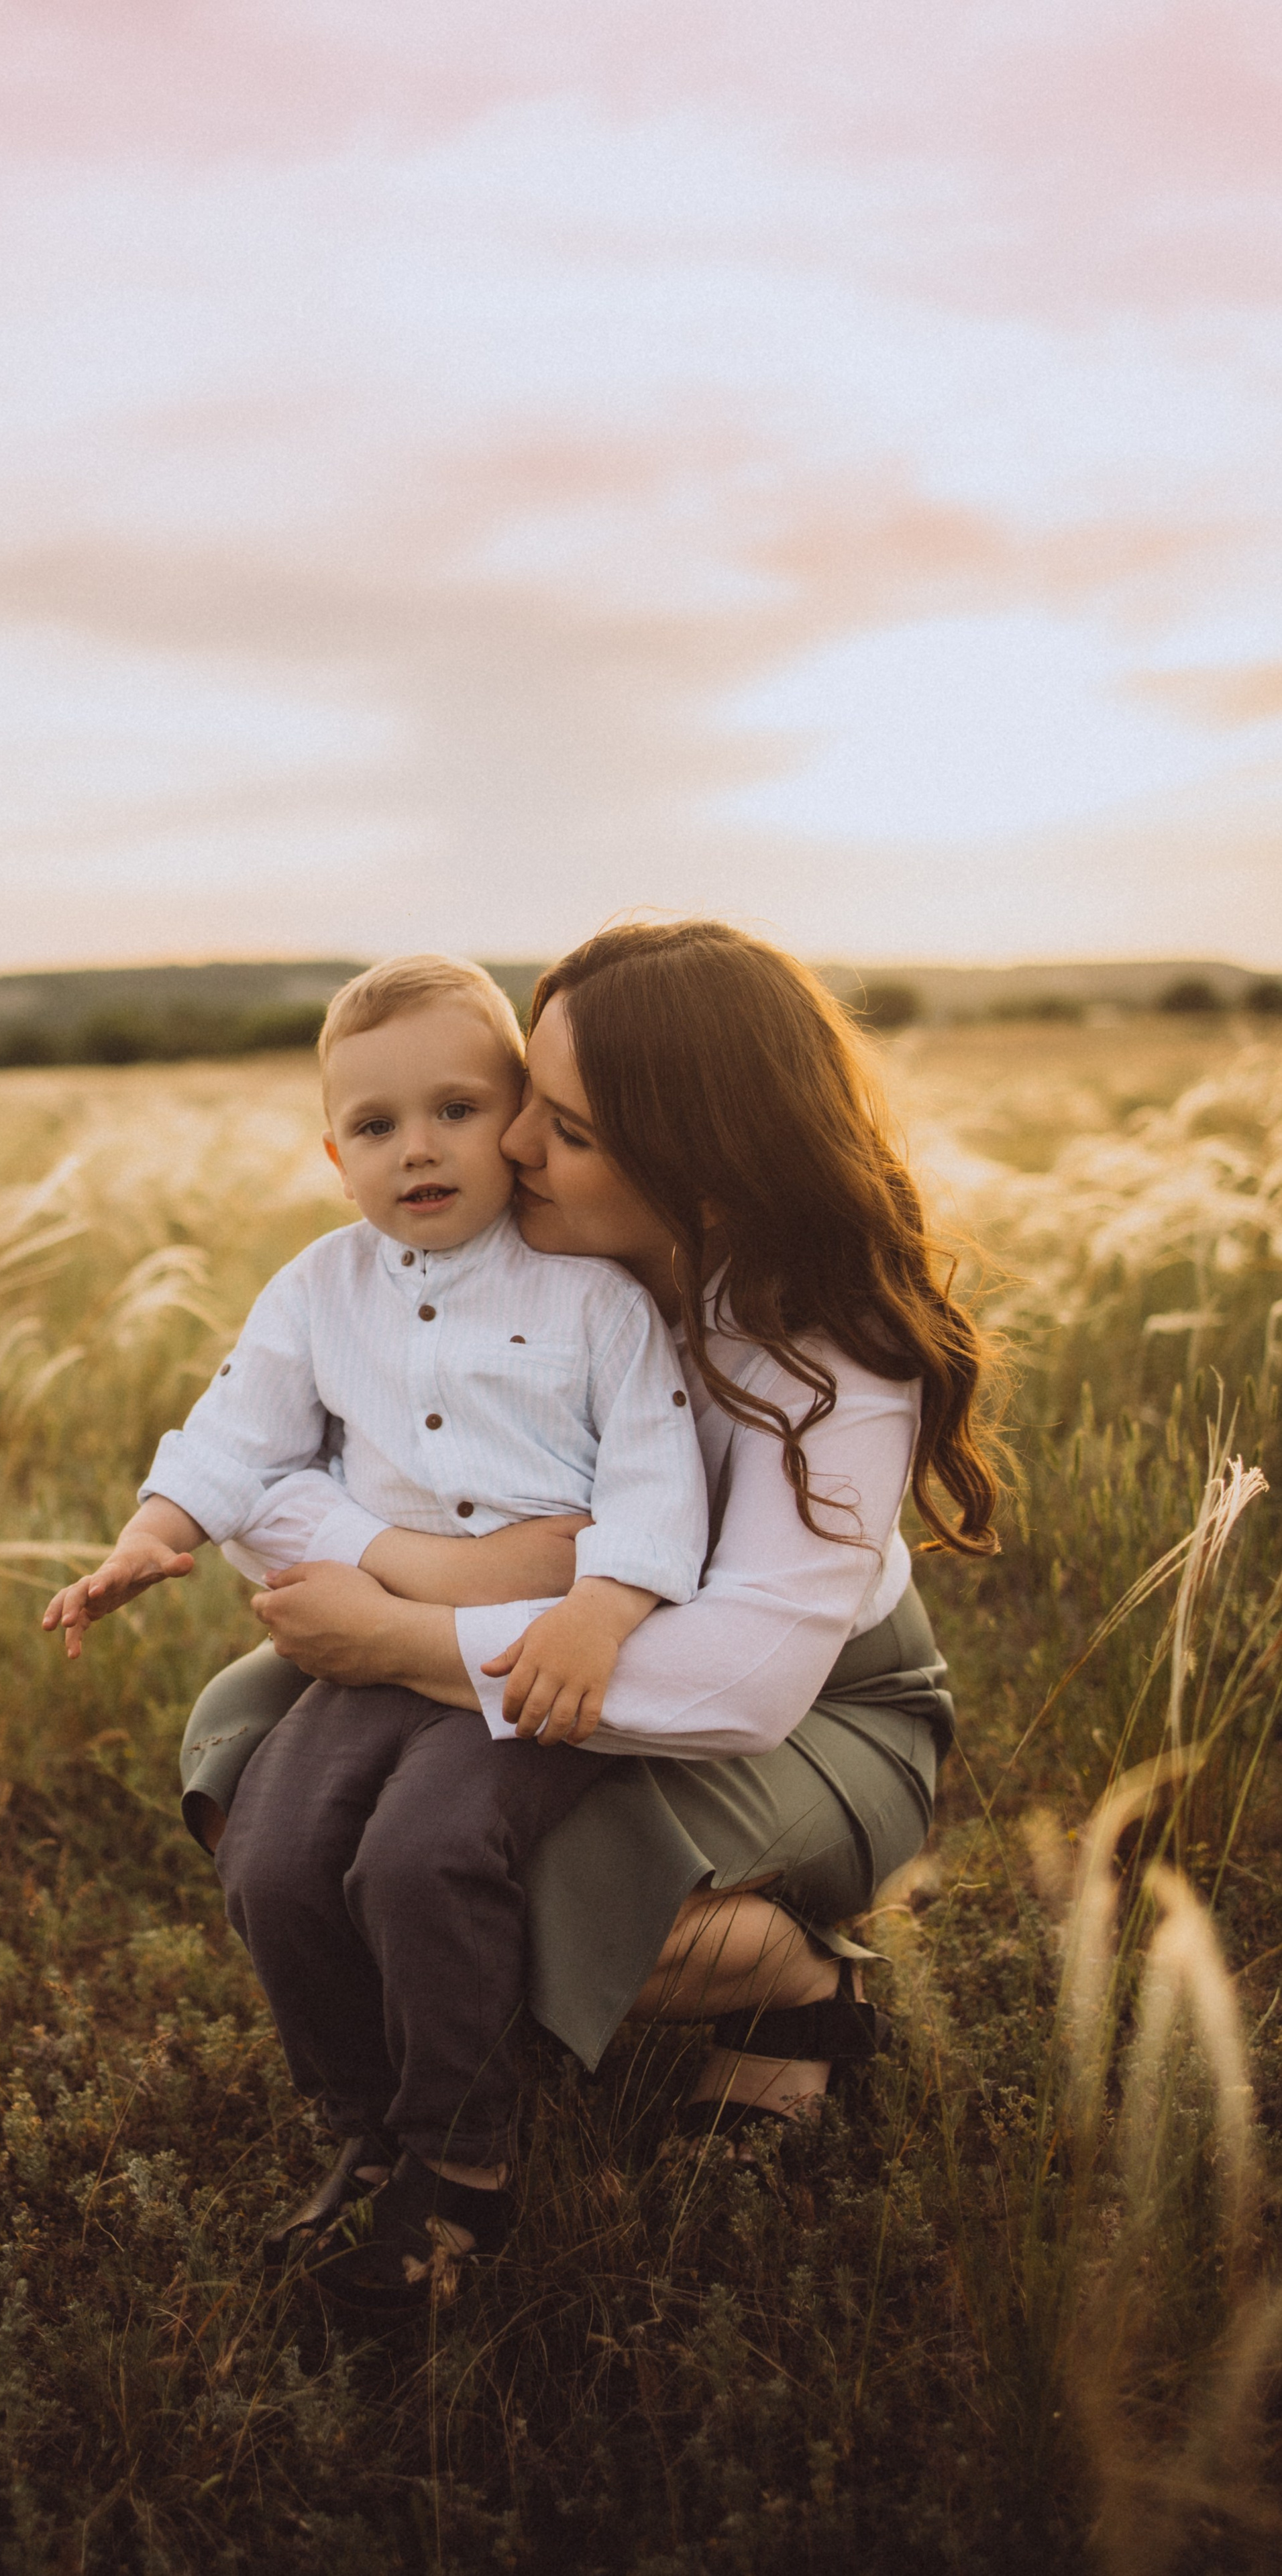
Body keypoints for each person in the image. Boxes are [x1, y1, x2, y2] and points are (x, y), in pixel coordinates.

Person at [166, 920, 996, 2314]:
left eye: (563, 1128)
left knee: (504, 1871)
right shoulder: (510, 1265)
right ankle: (424, 2072)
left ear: (695, 1156)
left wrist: (405, 1644)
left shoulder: (828, 1349)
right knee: (242, 1750)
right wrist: (449, 1576)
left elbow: (738, 1680)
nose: (514, 1151)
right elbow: (264, 1466)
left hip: (816, 1706)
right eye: (525, 1104)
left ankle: (791, 1990)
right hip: (542, 1623)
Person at [42, 955, 709, 2304]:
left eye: (456, 1109)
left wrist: (601, 1608)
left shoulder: (591, 1297)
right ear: (331, 1152)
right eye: (376, 1125)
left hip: (536, 1652)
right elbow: (236, 1434)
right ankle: (365, 2125)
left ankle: (462, 2167)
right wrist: (150, 1536)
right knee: (278, 1860)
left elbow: (654, 1474)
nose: (419, 1149)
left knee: (422, 1854)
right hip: (374, 1643)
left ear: (518, 1116)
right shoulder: (316, 1290)